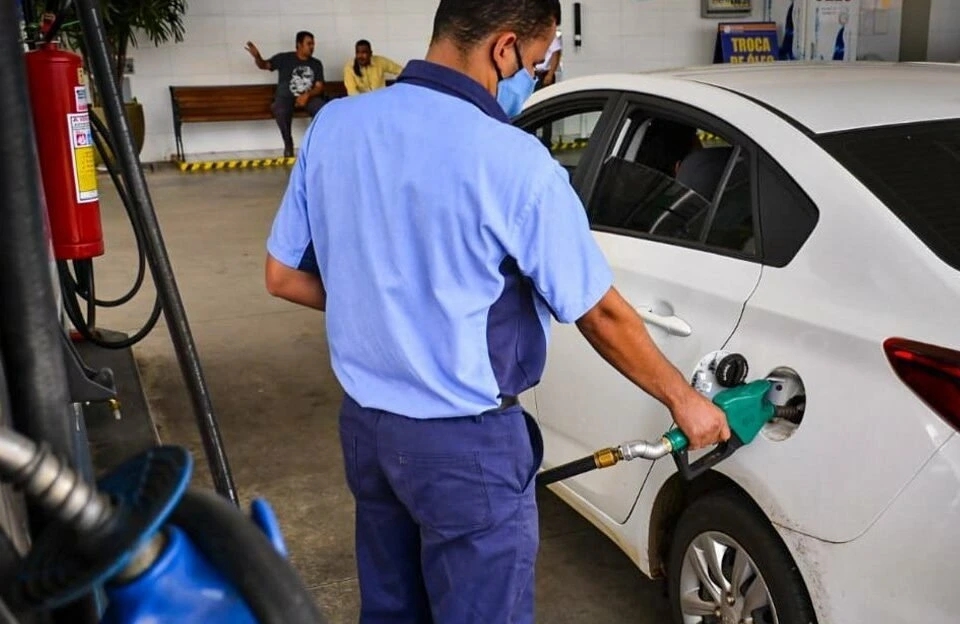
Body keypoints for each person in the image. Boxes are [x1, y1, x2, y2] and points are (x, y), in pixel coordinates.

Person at [263, 0, 730, 621]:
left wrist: (382, 298)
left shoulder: (336, 125)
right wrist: (685, 400)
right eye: (534, 65)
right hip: (465, 448)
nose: (530, 79)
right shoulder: (513, 161)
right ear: (504, 48)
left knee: (392, 610)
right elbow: (599, 314)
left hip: (368, 432)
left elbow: (282, 275)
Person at [245, 31, 327, 157]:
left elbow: (319, 87)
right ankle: (288, 143)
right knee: (279, 109)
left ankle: (315, 143)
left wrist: (307, 95)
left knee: (322, 109)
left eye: (313, 44)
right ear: (299, 44)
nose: (312, 47)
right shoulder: (284, 58)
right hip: (286, 98)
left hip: (308, 97)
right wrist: (257, 57)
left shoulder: (316, 63)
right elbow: (264, 65)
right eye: (309, 44)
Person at [534, 4, 563, 90]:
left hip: (544, 74)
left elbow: (556, 53)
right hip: (532, 73)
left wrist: (550, 74)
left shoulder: (549, 33)